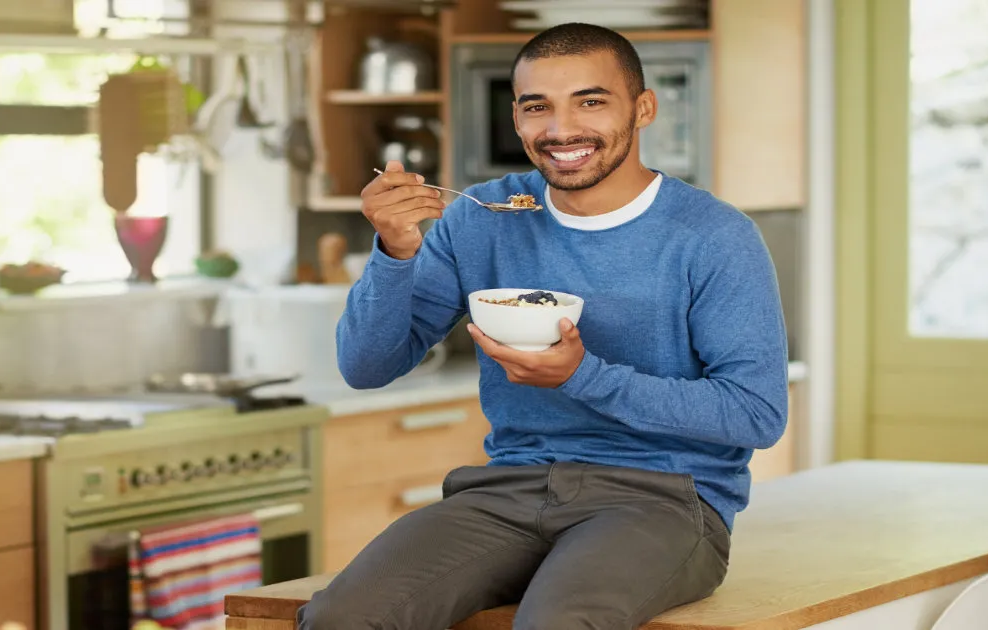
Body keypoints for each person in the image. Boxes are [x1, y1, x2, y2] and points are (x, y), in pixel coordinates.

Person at [298, 21, 789, 630]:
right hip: (507, 490)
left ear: (643, 108)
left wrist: (582, 376)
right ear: (516, 118)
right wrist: (395, 252)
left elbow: (756, 414)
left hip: (664, 500)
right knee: (342, 617)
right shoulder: (483, 217)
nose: (561, 131)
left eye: (591, 101)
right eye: (538, 107)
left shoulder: (714, 236)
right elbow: (366, 367)